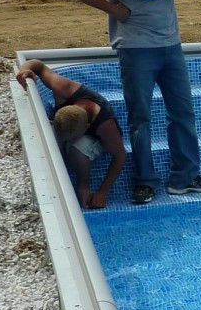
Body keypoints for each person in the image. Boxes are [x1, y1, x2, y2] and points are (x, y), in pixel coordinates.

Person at [62, 0, 201, 205]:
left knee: (183, 113)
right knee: (141, 118)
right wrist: (112, 10)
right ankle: (145, 182)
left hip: (171, 45)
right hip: (135, 49)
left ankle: (184, 179)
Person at [15, 59, 127, 209]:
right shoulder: (64, 88)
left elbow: (120, 155)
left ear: (86, 127)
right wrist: (25, 70)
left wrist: (102, 192)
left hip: (95, 139)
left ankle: (83, 184)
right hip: (65, 126)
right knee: (48, 137)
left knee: (77, 148)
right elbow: (38, 65)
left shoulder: (105, 125)